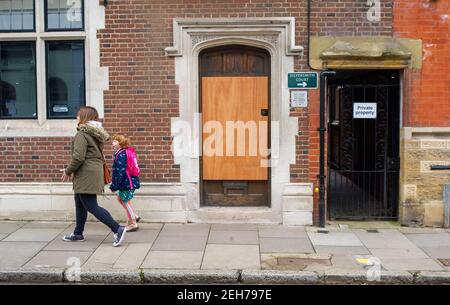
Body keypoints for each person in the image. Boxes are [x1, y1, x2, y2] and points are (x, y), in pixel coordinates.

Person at [61, 106, 126, 247]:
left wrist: (68, 171)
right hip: (92, 172)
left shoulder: (82, 134)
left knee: (91, 205)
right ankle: (78, 233)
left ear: (84, 117)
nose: (76, 118)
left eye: (78, 115)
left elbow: (78, 157)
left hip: (86, 174)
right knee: (80, 203)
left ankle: (117, 228)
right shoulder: (94, 133)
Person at [110, 134, 141, 232]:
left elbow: (120, 172)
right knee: (121, 199)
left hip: (126, 182)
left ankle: (133, 223)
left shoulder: (121, 154)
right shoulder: (123, 152)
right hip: (128, 181)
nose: (112, 143)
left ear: (120, 143)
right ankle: (134, 216)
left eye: (115, 141)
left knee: (124, 200)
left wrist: (114, 186)